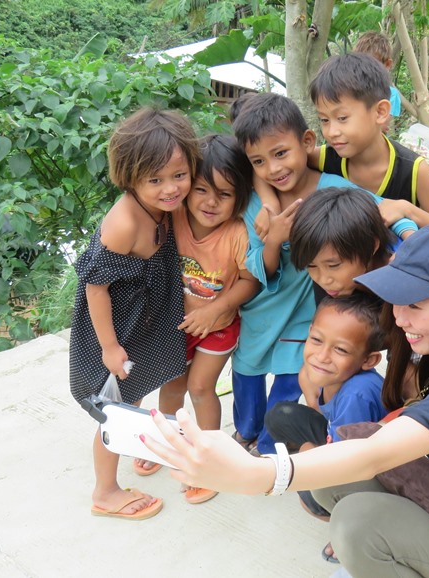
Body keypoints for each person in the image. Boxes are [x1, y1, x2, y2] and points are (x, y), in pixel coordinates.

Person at [144, 223, 429, 578]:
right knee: (332, 473)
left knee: (356, 524)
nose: (400, 318)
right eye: (397, 301)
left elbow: (374, 454)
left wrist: (252, 474)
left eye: (415, 304)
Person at [229, 92, 417, 456]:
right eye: (259, 162)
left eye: (280, 154)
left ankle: (277, 448)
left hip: (331, 306)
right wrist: (274, 239)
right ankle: (254, 431)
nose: (273, 168)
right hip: (276, 308)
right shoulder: (258, 206)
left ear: (307, 143)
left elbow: (384, 211)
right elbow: (259, 265)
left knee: (309, 374)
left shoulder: (334, 188)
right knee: (261, 373)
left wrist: (410, 238)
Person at [68, 107, 198, 520]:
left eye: (179, 175)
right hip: (118, 326)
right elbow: (95, 286)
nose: (170, 189)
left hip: (148, 316)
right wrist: (108, 346)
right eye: (155, 180)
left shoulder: (166, 205)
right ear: (130, 177)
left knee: (148, 383)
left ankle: (149, 446)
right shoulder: (124, 222)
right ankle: (104, 491)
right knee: (117, 407)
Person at [155, 134, 261, 505]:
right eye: (201, 189)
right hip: (176, 324)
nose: (211, 202)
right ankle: (164, 444)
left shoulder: (236, 234)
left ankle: (209, 459)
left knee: (200, 388)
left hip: (218, 326)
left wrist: (217, 309)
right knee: (171, 387)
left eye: (225, 194)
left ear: (241, 197)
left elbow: (250, 280)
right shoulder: (173, 218)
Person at [251, 53, 429, 240]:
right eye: (324, 120)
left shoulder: (413, 170)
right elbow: (260, 164)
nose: (331, 132)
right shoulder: (323, 157)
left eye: (342, 118)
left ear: (381, 112)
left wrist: (407, 210)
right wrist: (270, 204)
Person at [264, 293, 385, 528]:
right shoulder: (333, 373)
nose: (322, 356)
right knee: (279, 416)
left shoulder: (355, 396)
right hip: (340, 440)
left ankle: (352, 524)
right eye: (317, 340)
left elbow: (350, 464)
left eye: (340, 349)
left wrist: (309, 451)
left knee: (310, 495)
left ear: (369, 360)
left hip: (370, 472)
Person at [289, 186, 395, 305]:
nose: (324, 280)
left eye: (333, 265)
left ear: (372, 246)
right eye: (311, 266)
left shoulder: (399, 281)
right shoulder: (331, 283)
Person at [353, 31, 403, 131]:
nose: (366, 70)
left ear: (387, 65)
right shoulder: (350, 89)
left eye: (373, 65)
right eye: (361, 64)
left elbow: (383, 125)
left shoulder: (391, 95)